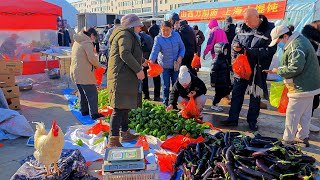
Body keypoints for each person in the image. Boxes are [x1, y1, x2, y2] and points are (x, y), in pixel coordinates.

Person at [220, 9, 277, 131]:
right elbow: (235, 41)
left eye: (249, 21)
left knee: (255, 96)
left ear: (257, 18)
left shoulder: (269, 29)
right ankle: (232, 119)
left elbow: (270, 51)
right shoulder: (242, 27)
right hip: (242, 69)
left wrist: (249, 51)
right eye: (245, 20)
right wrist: (235, 53)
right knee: (236, 93)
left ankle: (252, 121)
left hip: (258, 68)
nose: (247, 23)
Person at [266, 26, 320, 147]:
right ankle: (302, 138)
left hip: (301, 87)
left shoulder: (295, 47)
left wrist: (278, 70)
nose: (278, 45)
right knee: (305, 115)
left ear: (285, 36)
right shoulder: (300, 39)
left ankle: (287, 140)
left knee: (292, 114)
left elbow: (295, 68)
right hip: (310, 86)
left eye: (278, 42)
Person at [107, 14, 145, 148]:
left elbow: (131, 53)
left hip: (124, 77)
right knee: (118, 109)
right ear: (132, 25)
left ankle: (125, 133)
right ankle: (113, 140)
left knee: (124, 107)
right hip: (120, 77)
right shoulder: (125, 34)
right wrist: (138, 70)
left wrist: (142, 62)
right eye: (138, 25)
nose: (140, 28)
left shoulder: (127, 34)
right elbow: (125, 54)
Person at [70, 28, 104, 120]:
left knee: (82, 92)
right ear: (91, 35)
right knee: (92, 93)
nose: (94, 39)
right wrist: (99, 66)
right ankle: (94, 113)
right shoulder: (87, 42)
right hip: (84, 72)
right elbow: (92, 58)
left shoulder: (77, 41)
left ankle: (84, 111)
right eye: (94, 37)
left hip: (75, 71)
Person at [149, 21, 185, 107]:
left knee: (175, 85)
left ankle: (173, 103)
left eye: (167, 30)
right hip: (164, 66)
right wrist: (151, 60)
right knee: (165, 86)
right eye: (163, 30)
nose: (165, 32)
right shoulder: (158, 39)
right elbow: (154, 51)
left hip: (175, 64)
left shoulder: (176, 35)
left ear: (171, 29)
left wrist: (180, 56)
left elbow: (182, 47)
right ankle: (166, 104)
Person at [301, 20, 320, 132]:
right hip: (308, 75)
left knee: (314, 100)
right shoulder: (308, 39)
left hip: (316, 75)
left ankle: (306, 123)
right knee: (307, 101)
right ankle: (302, 126)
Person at [140, 25, 161, 101]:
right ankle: (156, 96)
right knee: (156, 78)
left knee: (144, 78)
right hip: (150, 60)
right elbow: (153, 49)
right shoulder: (148, 37)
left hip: (144, 60)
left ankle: (146, 96)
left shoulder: (138, 37)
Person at [210, 42, 232, 112]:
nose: (226, 51)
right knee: (220, 93)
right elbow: (213, 72)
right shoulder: (216, 61)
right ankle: (214, 104)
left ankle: (216, 99)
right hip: (219, 82)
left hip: (224, 80)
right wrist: (213, 82)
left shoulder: (224, 59)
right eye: (224, 49)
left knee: (226, 91)